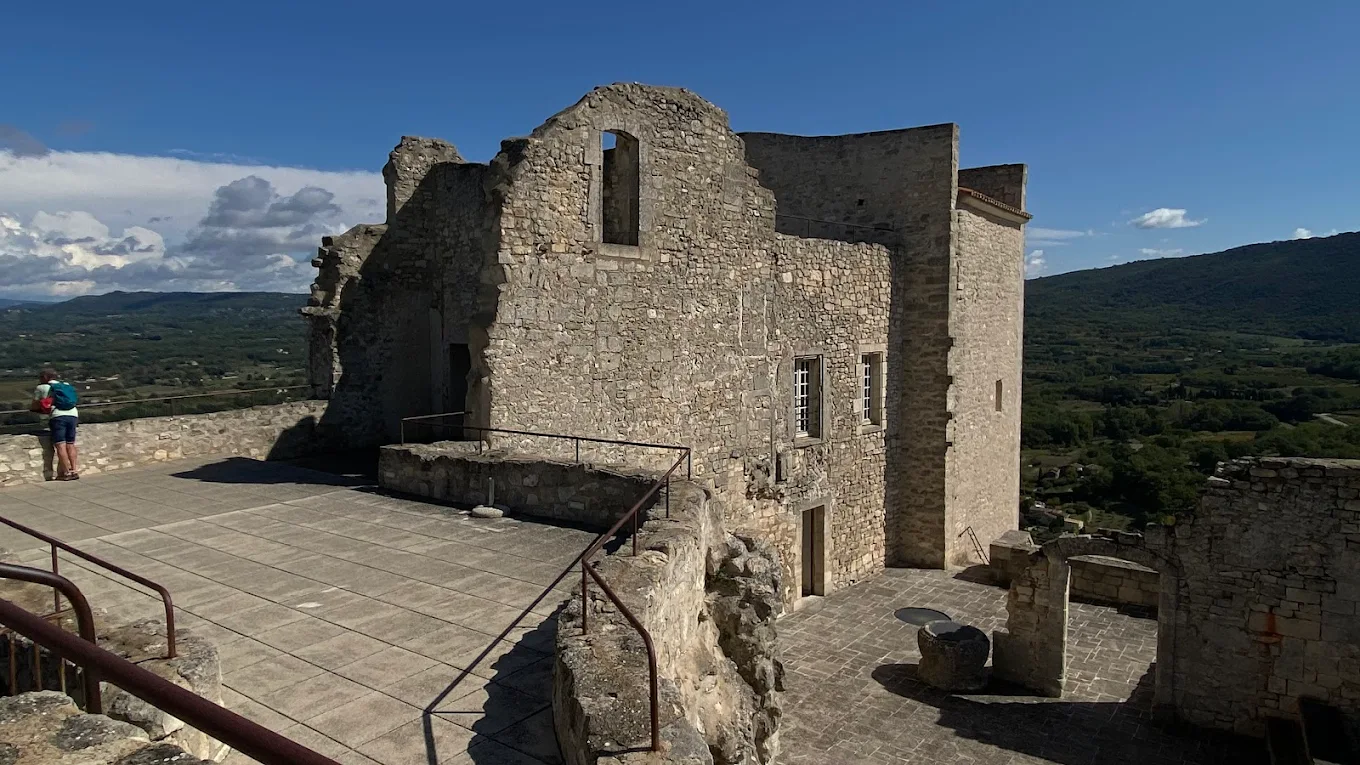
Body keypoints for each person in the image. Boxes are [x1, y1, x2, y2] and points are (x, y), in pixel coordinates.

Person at [30, 368, 79, 480]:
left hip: (58, 416)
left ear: (45, 377)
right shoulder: (66, 385)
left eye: (41, 377)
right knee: (70, 444)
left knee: (60, 445)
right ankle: (74, 470)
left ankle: (66, 473)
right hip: (73, 415)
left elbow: (34, 405)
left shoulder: (42, 387)